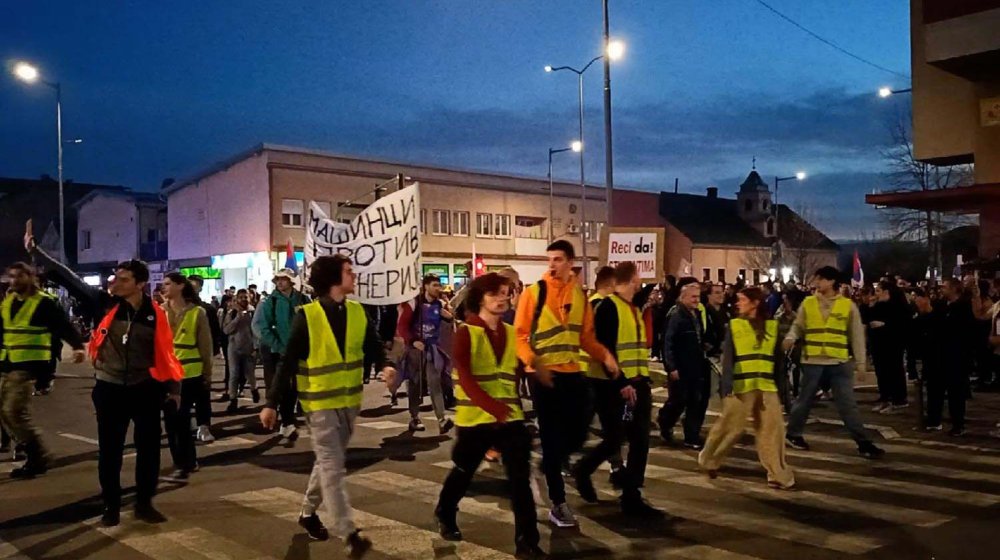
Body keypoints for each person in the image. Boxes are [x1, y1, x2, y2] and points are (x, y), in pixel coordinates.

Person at [25, 226, 183, 527]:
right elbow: (68, 276)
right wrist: (36, 252)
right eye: (115, 277)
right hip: (110, 389)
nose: (115, 283)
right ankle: (110, 504)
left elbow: (166, 354)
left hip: (145, 388)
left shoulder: (155, 314)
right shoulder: (103, 303)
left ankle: (144, 503)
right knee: (110, 451)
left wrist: (174, 389)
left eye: (123, 280)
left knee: (148, 450)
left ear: (140, 284)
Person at [260, 255, 395, 558]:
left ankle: (308, 512)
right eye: (349, 271)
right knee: (333, 467)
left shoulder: (359, 312)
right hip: (319, 405)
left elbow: (373, 344)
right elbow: (287, 361)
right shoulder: (306, 315)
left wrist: (385, 364)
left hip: (348, 403)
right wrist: (271, 403)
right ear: (334, 278)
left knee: (327, 463)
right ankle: (349, 532)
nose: (354, 275)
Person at [434, 273, 545, 559]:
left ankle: (527, 542)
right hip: (477, 421)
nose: (502, 298)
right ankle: (446, 512)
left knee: (521, 479)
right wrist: (493, 407)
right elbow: (467, 379)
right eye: (495, 293)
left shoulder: (510, 333)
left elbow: (522, 370)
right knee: (463, 471)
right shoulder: (466, 333)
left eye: (507, 293)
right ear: (480, 297)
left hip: (511, 421)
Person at [513, 240, 617, 528]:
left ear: (570, 262)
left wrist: (604, 355)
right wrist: (534, 363)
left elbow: (585, 337)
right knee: (551, 436)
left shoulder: (580, 296)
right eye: (550, 259)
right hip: (544, 376)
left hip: (572, 373)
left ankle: (549, 461)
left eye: (558, 259)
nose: (552, 265)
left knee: (577, 435)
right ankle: (558, 504)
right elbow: (520, 336)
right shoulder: (534, 293)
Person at [576, 262, 661, 515]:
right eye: (639, 278)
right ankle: (585, 469)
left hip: (636, 385)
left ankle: (631, 494)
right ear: (633, 278)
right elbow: (605, 349)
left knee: (638, 439)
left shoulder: (631, 308)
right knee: (617, 437)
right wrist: (621, 382)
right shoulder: (609, 307)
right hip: (615, 388)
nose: (641, 282)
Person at [698, 286, 795, 489]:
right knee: (731, 427)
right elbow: (728, 361)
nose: (737, 303)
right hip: (741, 387)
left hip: (766, 385)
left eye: (742, 300)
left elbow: (778, 362)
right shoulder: (734, 326)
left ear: (755, 303)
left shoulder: (771, 326)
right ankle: (709, 460)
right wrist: (727, 388)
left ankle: (778, 474)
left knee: (772, 431)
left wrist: (782, 392)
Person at [783, 266, 885, 459]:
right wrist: (790, 338)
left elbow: (856, 335)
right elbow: (798, 326)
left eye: (820, 279)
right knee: (804, 400)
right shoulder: (808, 303)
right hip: (813, 360)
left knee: (847, 404)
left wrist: (861, 363)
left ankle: (863, 442)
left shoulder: (847, 306)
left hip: (838, 361)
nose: (816, 283)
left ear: (831, 282)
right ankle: (793, 434)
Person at [1, 263, 85, 478]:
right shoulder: (9, 301)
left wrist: (77, 346)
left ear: (31, 277)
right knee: (4, 412)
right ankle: (30, 451)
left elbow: (63, 326)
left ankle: (37, 454)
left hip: (29, 366)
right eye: (11, 276)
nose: (14, 280)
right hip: (8, 364)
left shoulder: (44, 302)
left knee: (13, 411)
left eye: (19, 276)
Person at [573, 266, 627, 488]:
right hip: (596, 374)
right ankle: (574, 464)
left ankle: (615, 467)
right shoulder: (599, 306)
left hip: (594, 373)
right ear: (610, 285)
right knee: (607, 426)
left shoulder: (593, 304)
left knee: (608, 426)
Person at [159, 273, 213, 483]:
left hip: (190, 374)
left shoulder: (197, 313)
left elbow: (205, 346)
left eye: (168, 284)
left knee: (181, 419)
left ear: (181, 286)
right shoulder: (159, 312)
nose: (163, 288)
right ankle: (182, 461)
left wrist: (207, 375)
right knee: (172, 422)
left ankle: (186, 463)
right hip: (165, 374)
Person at [253, 268, 310, 442]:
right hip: (277, 353)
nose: (279, 282)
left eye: (283, 279)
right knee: (281, 387)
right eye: (277, 279)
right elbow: (262, 328)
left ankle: (287, 422)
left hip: (298, 352)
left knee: (295, 387)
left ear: (291, 281)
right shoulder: (270, 302)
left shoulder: (303, 299)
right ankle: (287, 422)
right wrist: (278, 346)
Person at [396, 274, 455, 433]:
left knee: (435, 382)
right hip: (415, 350)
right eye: (435, 285)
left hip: (431, 349)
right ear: (426, 286)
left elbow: (447, 321)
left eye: (439, 285)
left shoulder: (438, 304)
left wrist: (448, 316)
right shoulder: (413, 303)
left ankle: (441, 419)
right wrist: (413, 341)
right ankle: (414, 417)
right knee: (415, 384)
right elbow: (402, 326)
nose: (438, 288)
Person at [657, 282, 711, 448]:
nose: (697, 300)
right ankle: (665, 421)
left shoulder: (696, 314)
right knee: (679, 400)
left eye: (698, 297)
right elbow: (667, 342)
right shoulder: (676, 316)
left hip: (695, 365)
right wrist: (671, 367)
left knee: (695, 400)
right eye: (693, 297)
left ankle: (691, 436)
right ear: (683, 297)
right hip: (681, 367)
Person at [932, 278, 977, 436]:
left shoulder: (963, 308)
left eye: (944, 287)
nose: (941, 289)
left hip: (957, 356)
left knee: (956, 393)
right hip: (941, 355)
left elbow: (966, 333)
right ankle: (935, 420)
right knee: (939, 389)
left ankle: (958, 424)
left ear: (954, 289)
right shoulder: (942, 306)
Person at [186, 274, 222, 443]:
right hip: (180, 362)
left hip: (201, 359)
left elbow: (215, 333)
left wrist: (213, 351)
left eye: (194, 286)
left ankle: (204, 426)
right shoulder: (177, 309)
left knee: (202, 393)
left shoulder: (207, 309)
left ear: (200, 288)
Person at [866, 280, 910, 412]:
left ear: (887, 292)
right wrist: (871, 305)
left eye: (878, 291)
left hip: (893, 344)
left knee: (894, 371)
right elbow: (867, 319)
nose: (876, 294)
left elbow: (902, 324)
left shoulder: (898, 305)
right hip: (878, 344)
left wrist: (885, 325)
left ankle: (899, 399)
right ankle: (885, 397)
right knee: (882, 372)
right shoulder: (879, 305)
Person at [222, 289, 258, 413]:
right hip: (234, 348)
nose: (243, 299)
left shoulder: (253, 312)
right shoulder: (231, 312)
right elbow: (226, 330)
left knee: (250, 373)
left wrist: (255, 346)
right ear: (237, 299)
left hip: (249, 347)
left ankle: (254, 389)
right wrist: (237, 318)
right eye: (241, 297)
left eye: (246, 297)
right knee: (234, 374)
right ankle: (233, 400)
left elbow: (256, 330)